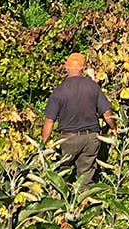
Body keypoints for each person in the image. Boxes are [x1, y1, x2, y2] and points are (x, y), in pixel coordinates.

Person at [40, 53, 118, 181]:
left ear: (66, 68)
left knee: (61, 176)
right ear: (83, 68)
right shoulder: (93, 87)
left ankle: (61, 198)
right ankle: (85, 198)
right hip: (90, 138)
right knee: (86, 178)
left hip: (68, 139)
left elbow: (49, 120)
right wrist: (113, 127)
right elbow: (107, 112)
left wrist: (43, 143)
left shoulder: (59, 90)